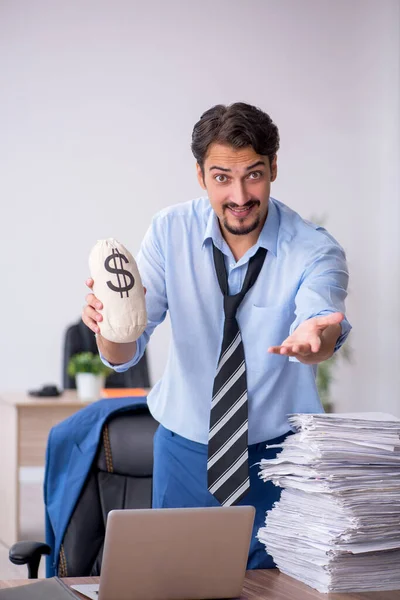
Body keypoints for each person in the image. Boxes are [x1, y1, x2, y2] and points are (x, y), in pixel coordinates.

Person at [82, 102, 351, 569]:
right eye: (223, 176)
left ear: (273, 169)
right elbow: (126, 351)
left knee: (276, 590)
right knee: (172, 584)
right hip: (183, 451)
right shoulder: (169, 232)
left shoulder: (313, 248)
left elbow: (322, 320)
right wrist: (111, 325)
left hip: (280, 461)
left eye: (254, 174)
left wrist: (315, 337)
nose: (240, 194)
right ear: (201, 175)